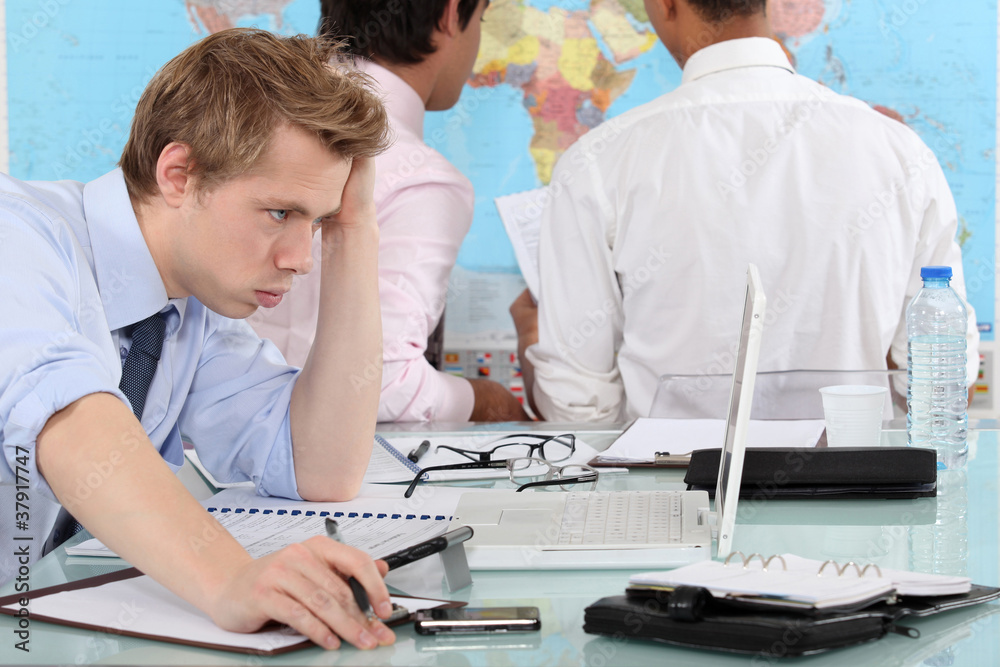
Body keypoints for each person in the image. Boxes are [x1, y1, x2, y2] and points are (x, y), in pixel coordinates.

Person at [0, 29, 399, 650]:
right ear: (180, 175)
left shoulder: (189, 309)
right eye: (279, 212)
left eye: (316, 221)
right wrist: (230, 579)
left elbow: (319, 467)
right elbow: (71, 420)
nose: (301, 258)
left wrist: (356, 229)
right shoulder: (17, 236)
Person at [510, 0, 979, 422]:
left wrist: (531, 335)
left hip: (671, 502)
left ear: (666, 5)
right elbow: (942, 384)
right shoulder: (900, 153)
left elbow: (580, 410)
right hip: (860, 498)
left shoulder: (599, 162)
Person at [251, 0, 530, 423]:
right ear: (452, 13)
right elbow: (382, 384)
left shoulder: (244, 113)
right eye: (481, 20)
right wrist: (492, 401)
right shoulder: (423, 180)